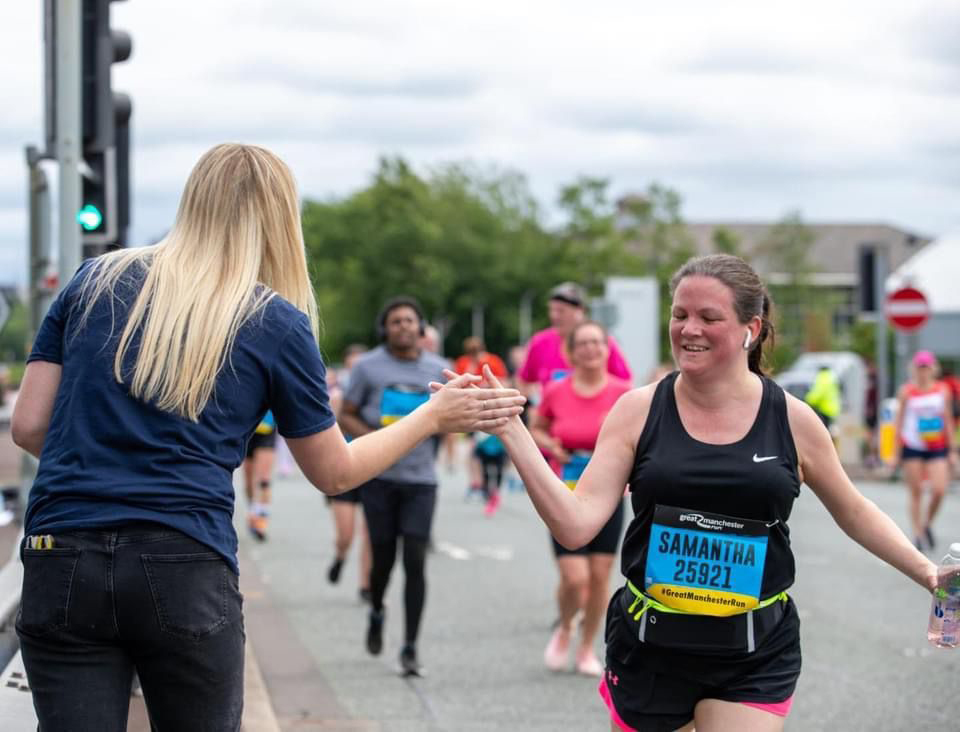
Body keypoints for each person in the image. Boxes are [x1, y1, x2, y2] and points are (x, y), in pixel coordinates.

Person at [9, 143, 524, 731]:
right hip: (181, 558)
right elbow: (333, 472)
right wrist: (433, 417)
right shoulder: (275, 321)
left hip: (62, 551)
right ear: (279, 218)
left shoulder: (93, 282)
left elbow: (28, 426)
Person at [474, 254, 937, 731]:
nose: (688, 329)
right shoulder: (637, 411)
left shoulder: (793, 420)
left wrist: (928, 573)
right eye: (679, 315)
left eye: (708, 318)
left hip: (753, 652)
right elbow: (576, 524)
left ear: (749, 329)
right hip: (651, 647)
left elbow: (856, 511)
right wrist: (513, 431)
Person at [339, 296, 452, 677]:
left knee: (416, 560)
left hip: (421, 482)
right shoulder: (369, 367)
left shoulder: (439, 369)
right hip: (380, 479)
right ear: (384, 328)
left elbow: (452, 417)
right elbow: (346, 414)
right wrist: (377, 441)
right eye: (395, 321)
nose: (403, 327)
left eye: (409, 321)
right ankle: (376, 610)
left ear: (421, 328)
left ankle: (410, 646)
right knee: (383, 561)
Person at [530, 320, 631, 677]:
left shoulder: (624, 393)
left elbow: (639, 439)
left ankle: (587, 647)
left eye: (597, 343)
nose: (590, 349)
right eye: (583, 344)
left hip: (608, 495)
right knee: (575, 578)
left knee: (600, 576)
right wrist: (553, 445)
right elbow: (536, 427)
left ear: (607, 349)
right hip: (565, 493)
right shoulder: (557, 391)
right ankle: (565, 626)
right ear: (571, 352)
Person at [517, 281, 631, 394]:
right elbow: (523, 382)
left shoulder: (600, 342)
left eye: (561, 311)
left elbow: (625, 384)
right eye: (551, 310)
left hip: (596, 410)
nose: (554, 316)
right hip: (551, 412)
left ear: (580, 311)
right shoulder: (540, 342)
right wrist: (530, 407)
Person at [895, 350, 956, 551]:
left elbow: (947, 419)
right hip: (913, 445)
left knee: (939, 490)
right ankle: (918, 533)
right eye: (920, 368)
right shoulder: (906, 392)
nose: (923, 372)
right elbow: (899, 422)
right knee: (917, 492)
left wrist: (952, 450)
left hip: (937, 446)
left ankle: (927, 523)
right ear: (914, 370)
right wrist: (895, 454)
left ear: (933, 369)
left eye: (927, 368)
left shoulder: (942, 390)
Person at [326, 345, 373, 601]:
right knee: (346, 535)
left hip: (371, 469)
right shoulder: (337, 399)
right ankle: (340, 556)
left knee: (371, 532)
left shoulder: (375, 396)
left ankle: (366, 585)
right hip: (344, 470)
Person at [242, 410, 277, 541]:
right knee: (249, 483)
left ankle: (261, 522)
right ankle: (253, 511)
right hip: (247, 430)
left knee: (264, 480)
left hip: (267, 429)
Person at [804, 365, 841, 432]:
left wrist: (808, 400)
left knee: (822, 431)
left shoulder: (823, 378)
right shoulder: (832, 377)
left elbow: (818, 393)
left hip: (825, 409)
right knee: (829, 431)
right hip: (832, 409)